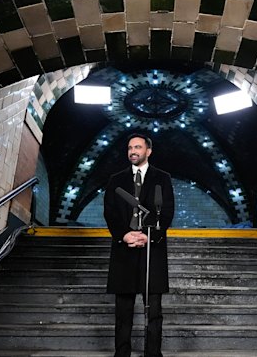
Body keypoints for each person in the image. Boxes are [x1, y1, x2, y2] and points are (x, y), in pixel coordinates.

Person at [103, 133, 175, 357]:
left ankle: (152, 354)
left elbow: (167, 211)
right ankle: (121, 353)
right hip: (124, 249)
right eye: (129, 148)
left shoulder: (162, 178)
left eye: (137, 147)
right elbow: (110, 212)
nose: (132, 151)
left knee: (154, 310)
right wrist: (124, 235)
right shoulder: (116, 179)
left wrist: (148, 236)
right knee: (123, 310)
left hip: (152, 250)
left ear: (148, 151)